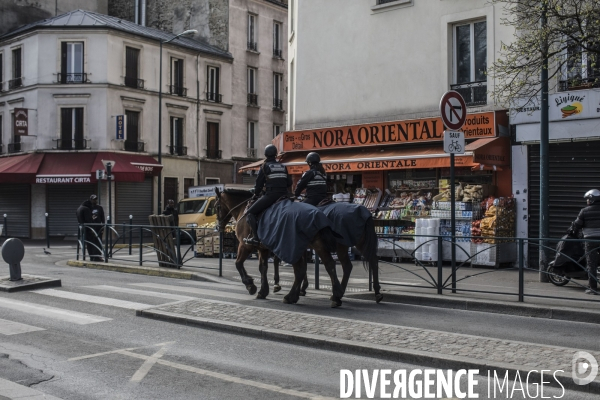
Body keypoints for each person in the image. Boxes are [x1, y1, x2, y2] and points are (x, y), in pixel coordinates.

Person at [244, 144, 292, 246]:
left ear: (266, 155)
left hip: (271, 196)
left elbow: (258, 185)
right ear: (275, 154)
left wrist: (255, 193)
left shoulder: (265, 167)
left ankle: (256, 238)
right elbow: (289, 183)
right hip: (284, 195)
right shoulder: (283, 166)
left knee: (250, 213)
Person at [569, 189, 600, 295]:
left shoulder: (584, 211)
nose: (587, 201)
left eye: (588, 199)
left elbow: (577, 225)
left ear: (592, 199)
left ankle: (593, 288)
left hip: (590, 240)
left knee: (591, 264)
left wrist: (572, 230)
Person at [89, 195, 105, 261]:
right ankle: (92, 256)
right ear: (90, 200)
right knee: (92, 242)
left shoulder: (99, 208)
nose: (94, 201)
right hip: (91, 227)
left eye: (95, 199)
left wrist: (103, 227)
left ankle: (98, 256)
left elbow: (102, 218)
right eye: (93, 199)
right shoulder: (88, 208)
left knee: (99, 242)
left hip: (98, 227)